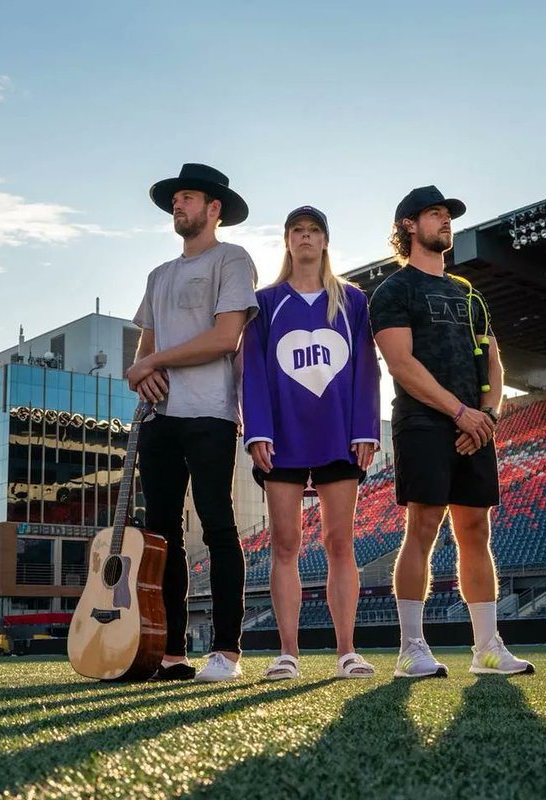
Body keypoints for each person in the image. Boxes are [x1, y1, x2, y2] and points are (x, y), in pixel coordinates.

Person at [368, 185, 534, 678]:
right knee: (422, 526)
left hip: (474, 427)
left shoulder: (468, 294)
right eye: (434, 215)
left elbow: (495, 361)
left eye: (447, 216)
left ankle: (487, 647)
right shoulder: (395, 290)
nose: (445, 222)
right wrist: (459, 412)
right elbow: (402, 364)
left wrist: (486, 417)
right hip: (423, 422)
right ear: (408, 226)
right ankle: (411, 649)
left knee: (475, 530)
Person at [128, 163, 258, 683]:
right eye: (175, 199)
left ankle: (226, 651)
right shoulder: (159, 275)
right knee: (161, 536)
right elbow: (144, 350)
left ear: (213, 209)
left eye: (187, 198)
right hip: (160, 418)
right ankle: (171, 652)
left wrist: (153, 364)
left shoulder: (233, 259)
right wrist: (143, 372)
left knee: (218, 524)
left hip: (210, 412)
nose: (178, 206)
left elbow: (226, 338)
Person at [241, 205, 381, 681]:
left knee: (339, 542)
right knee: (285, 543)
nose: (305, 237)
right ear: (286, 241)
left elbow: (367, 367)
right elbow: (253, 374)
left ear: (325, 241)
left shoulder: (353, 301)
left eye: (314, 230)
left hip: (338, 434)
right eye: (297, 231)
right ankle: (288, 654)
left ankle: (347, 651)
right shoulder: (265, 303)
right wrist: (257, 429)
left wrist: (366, 428)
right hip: (281, 437)